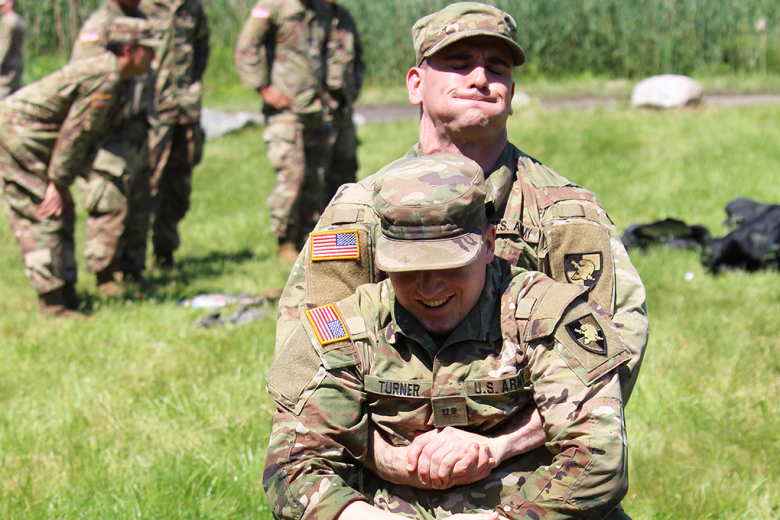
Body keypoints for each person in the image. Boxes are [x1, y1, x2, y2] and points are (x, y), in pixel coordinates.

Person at [274, 2, 648, 515]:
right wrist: (388, 459)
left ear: (512, 91)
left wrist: (499, 445)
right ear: (414, 84)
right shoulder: (359, 212)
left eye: (497, 67)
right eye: (457, 62)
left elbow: (610, 359)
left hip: (530, 475)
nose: (479, 77)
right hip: (387, 480)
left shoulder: (566, 215)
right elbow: (310, 357)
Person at [264, 154, 630, 520]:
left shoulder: (546, 316)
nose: (429, 287)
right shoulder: (346, 329)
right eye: (408, 269)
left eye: (448, 264)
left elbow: (598, 455)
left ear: (488, 244)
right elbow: (293, 465)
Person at [0, 17, 159, 317]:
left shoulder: (118, 78)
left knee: (62, 210)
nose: (153, 57)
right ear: (128, 50)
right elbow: (76, 133)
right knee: (42, 211)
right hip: (17, 135)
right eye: (148, 50)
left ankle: (67, 294)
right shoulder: (106, 77)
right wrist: (58, 183)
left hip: (36, 139)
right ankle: (52, 304)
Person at [234, 0, 330, 262]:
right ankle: (285, 240)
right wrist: (264, 89)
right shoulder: (273, 7)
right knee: (292, 174)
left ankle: (310, 238)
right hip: (285, 110)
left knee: (316, 177)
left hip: (314, 108)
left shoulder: (319, 10)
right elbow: (246, 47)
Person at [71, 0, 155, 295]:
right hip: (109, 131)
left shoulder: (141, 18)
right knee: (109, 203)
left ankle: (133, 271)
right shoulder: (99, 26)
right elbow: (84, 76)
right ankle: (104, 276)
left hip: (137, 128)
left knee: (140, 202)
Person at [144, 0, 209, 269]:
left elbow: (201, 46)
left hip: (184, 109)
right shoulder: (141, 6)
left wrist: (191, 85)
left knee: (177, 185)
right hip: (151, 109)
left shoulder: (191, 7)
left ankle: (164, 251)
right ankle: (128, 262)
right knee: (143, 184)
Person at [322, 0, 363, 204]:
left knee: (346, 170)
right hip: (317, 110)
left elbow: (358, 55)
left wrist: (354, 88)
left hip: (343, 108)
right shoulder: (310, 16)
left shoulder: (344, 17)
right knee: (316, 174)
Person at [0, 0, 23, 99]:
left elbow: (4, 44)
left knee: (2, 95)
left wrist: (0, 61)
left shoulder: (7, 21)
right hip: (17, 62)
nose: (1, 8)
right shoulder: (20, 21)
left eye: (3, 5)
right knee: (15, 96)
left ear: (10, 3)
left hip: (7, 66)